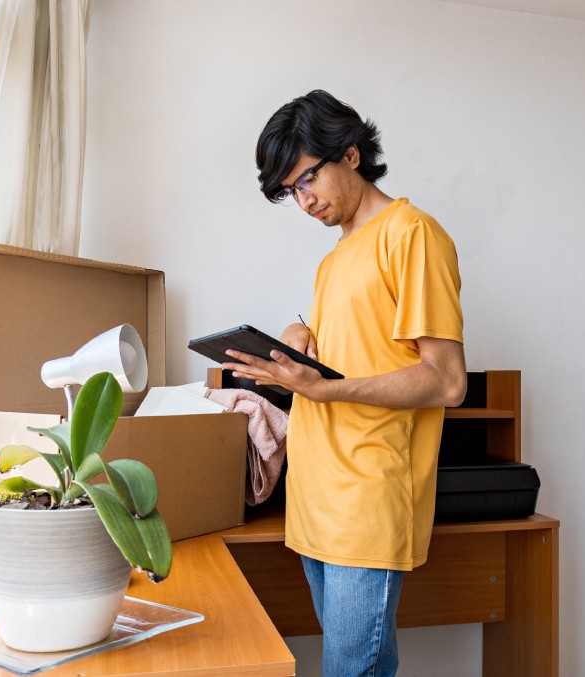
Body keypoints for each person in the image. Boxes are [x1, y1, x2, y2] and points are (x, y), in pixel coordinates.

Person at [225, 89, 467, 677]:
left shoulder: (412, 233)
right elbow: (358, 342)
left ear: (351, 155)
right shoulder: (334, 259)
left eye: (308, 178)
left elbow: (446, 381)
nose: (304, 200)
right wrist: (297, 333)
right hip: (315, 497)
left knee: (349, 671)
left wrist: (324, 390)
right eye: (291, 191)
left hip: (368, 496)